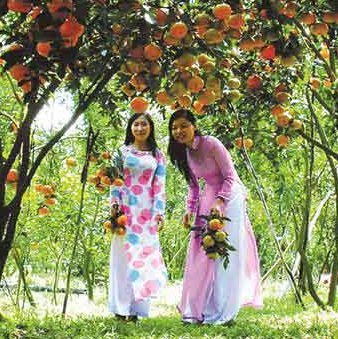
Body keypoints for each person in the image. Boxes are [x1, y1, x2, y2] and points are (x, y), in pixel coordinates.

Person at [169, 109, 262, 324]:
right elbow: (193, 186)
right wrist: (190, 209)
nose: (179, 131)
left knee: (226, 251)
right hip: (209, 194)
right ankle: (200, 308)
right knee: (204, 251)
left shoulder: (211, 144)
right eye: (174, 128)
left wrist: (221, 201)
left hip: (231, 196)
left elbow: (230, 176)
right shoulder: (185, 152)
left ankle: (225, 310)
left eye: (183, 125)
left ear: (194, 126)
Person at [108, 112, 168, 320]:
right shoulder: (122, 152)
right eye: (136, 124)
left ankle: (137, 310)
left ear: (150, 128)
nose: (140, 128)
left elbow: (160, 184)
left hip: (147, 212)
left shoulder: (157, 155)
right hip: (125, 209)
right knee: (122, 258)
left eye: (144, 124)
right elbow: (114, 181)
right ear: (130, 128)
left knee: (144, 258)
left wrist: (159, 212)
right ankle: (120, 308)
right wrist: (114, 204)